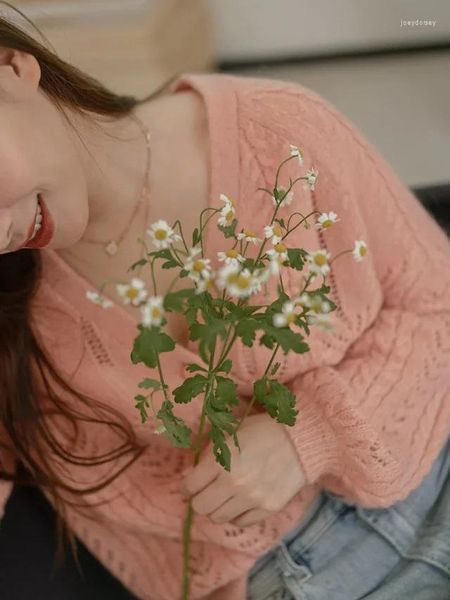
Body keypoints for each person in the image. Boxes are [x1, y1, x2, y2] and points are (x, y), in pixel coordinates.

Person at [0, 5, 449, 600]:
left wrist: (311, 435)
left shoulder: (277, 133)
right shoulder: (14, 307)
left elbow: (439, 307)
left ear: (12, 69)